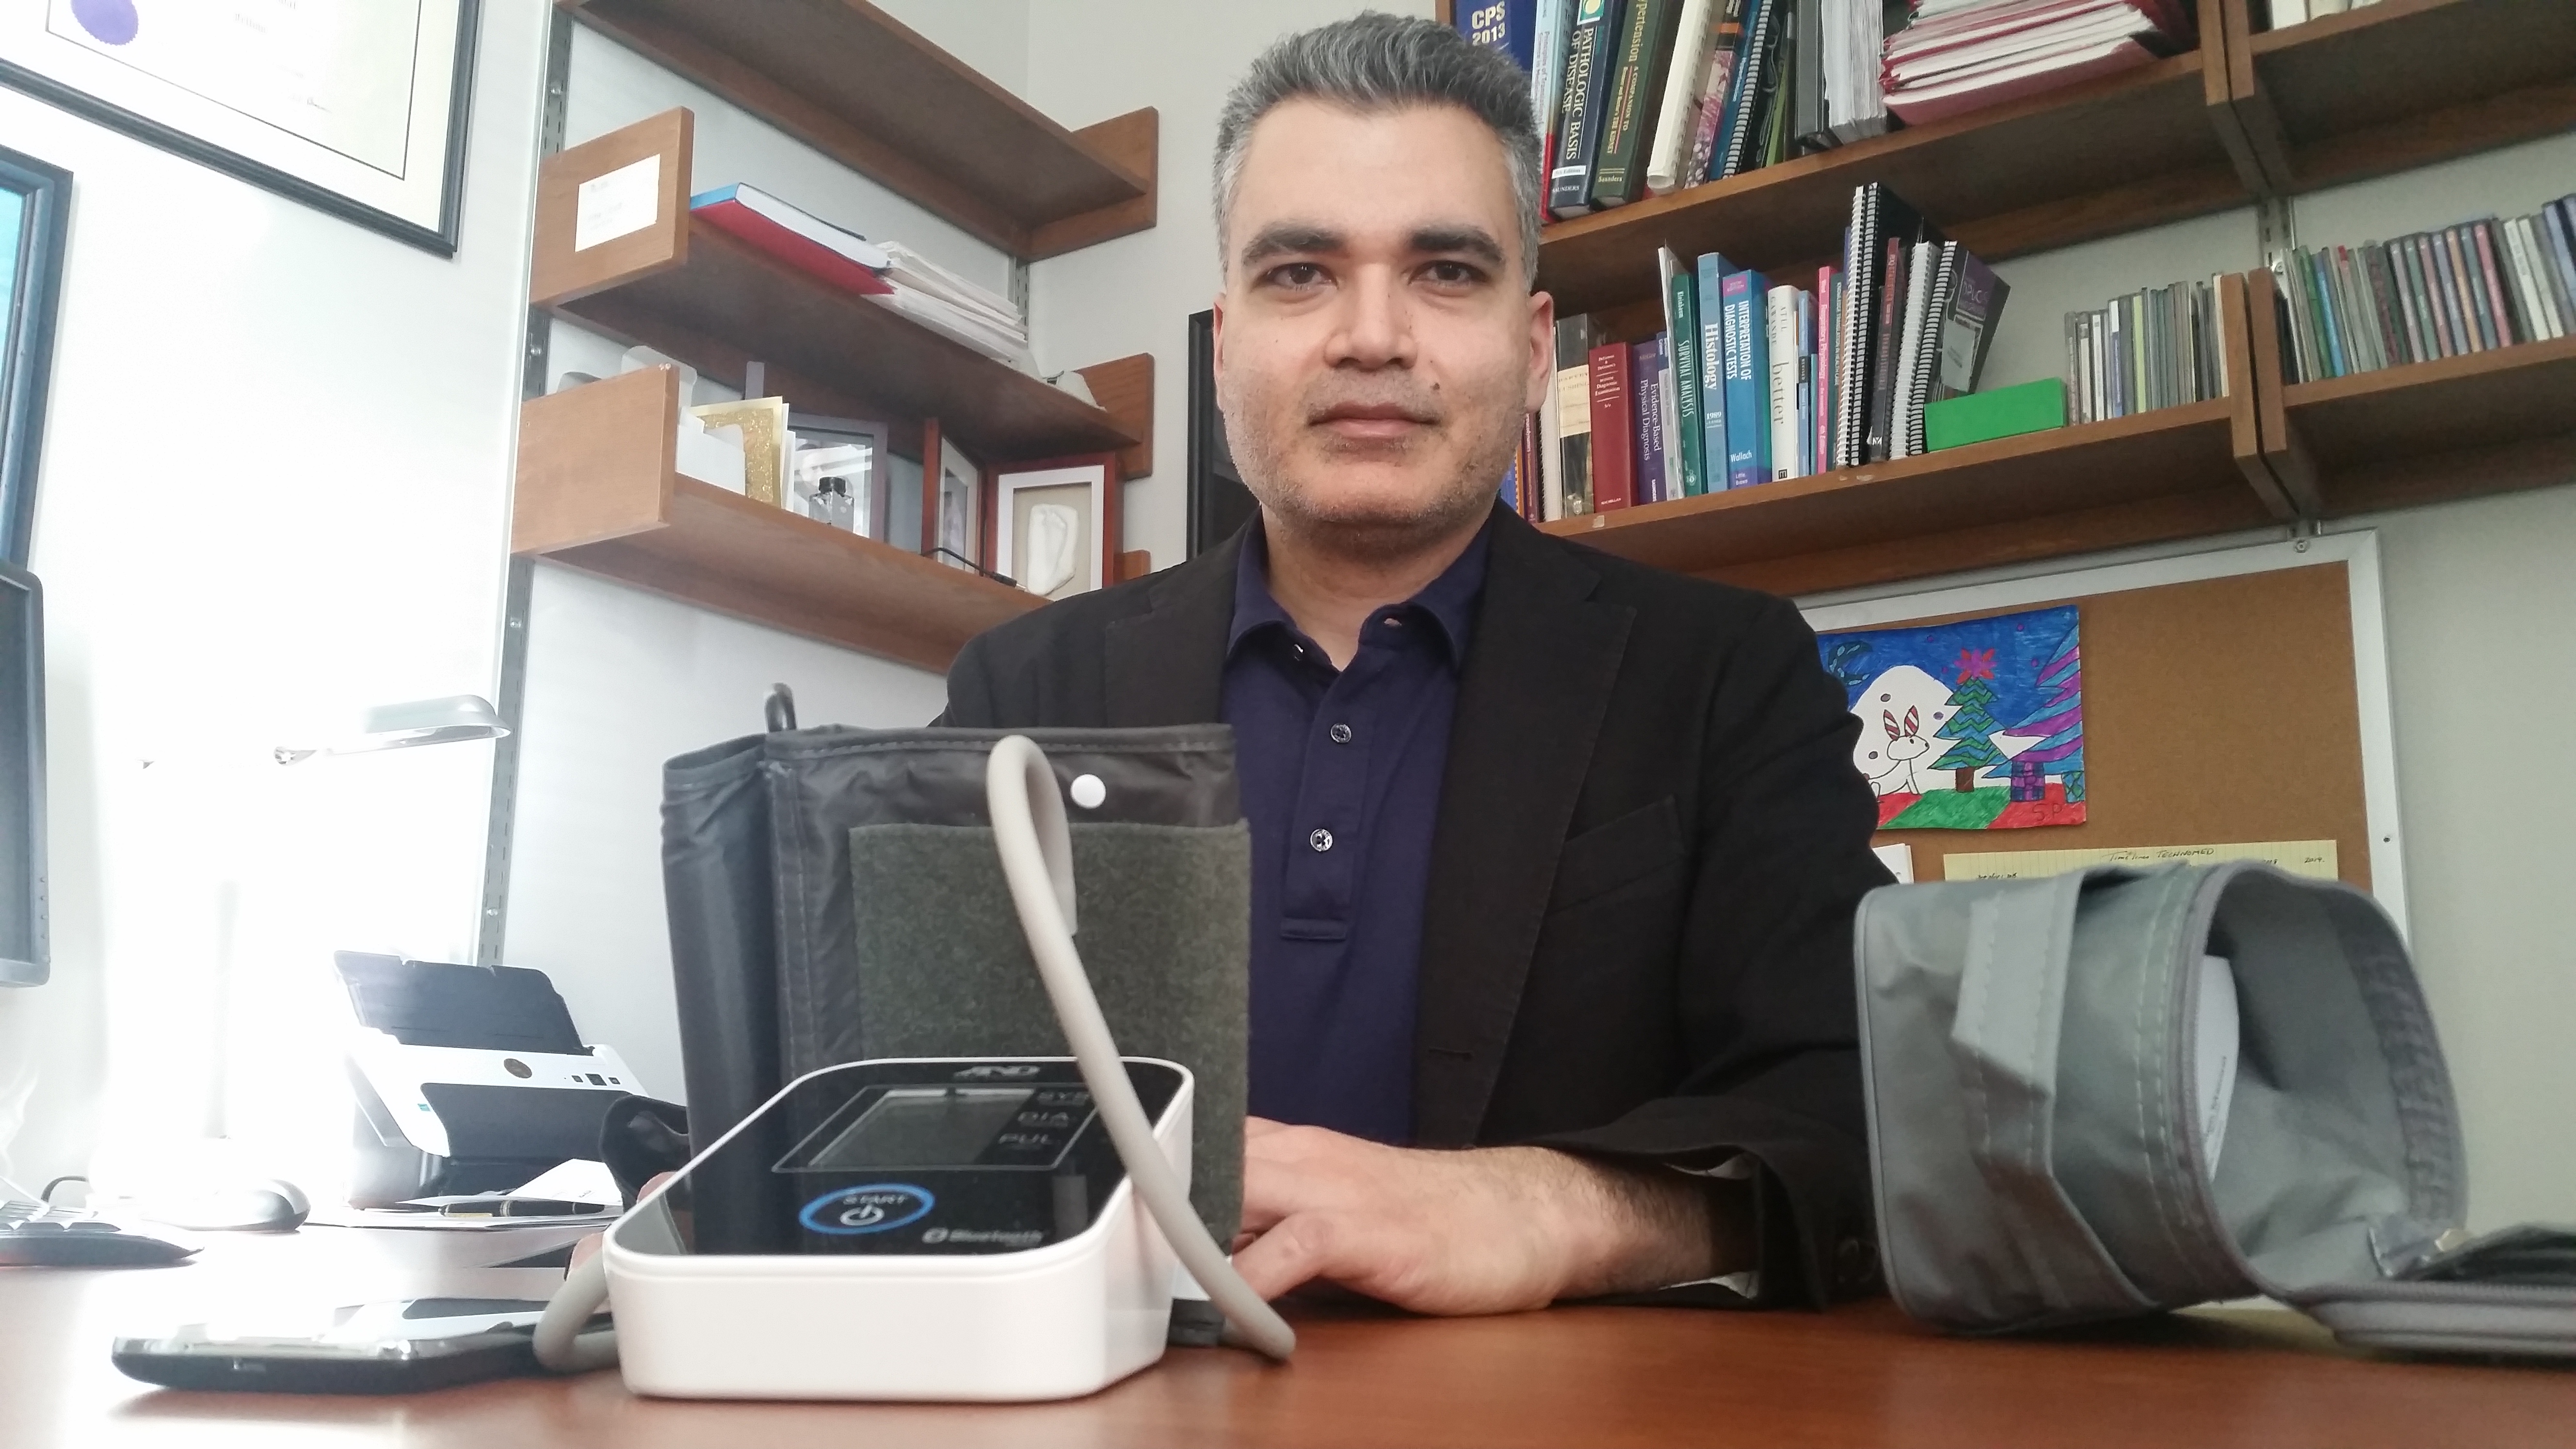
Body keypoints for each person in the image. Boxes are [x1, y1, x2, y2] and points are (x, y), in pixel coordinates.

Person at [939, 14, 1889, 1316]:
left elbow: (1854, 1118)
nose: (1371, 336)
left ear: (1536, 340)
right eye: (1299, 274)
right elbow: (891, 1113)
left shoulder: (1731, 678)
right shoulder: (1014, 701)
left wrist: (1555, 1202)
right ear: (1225, 345)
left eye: (1445, 270)